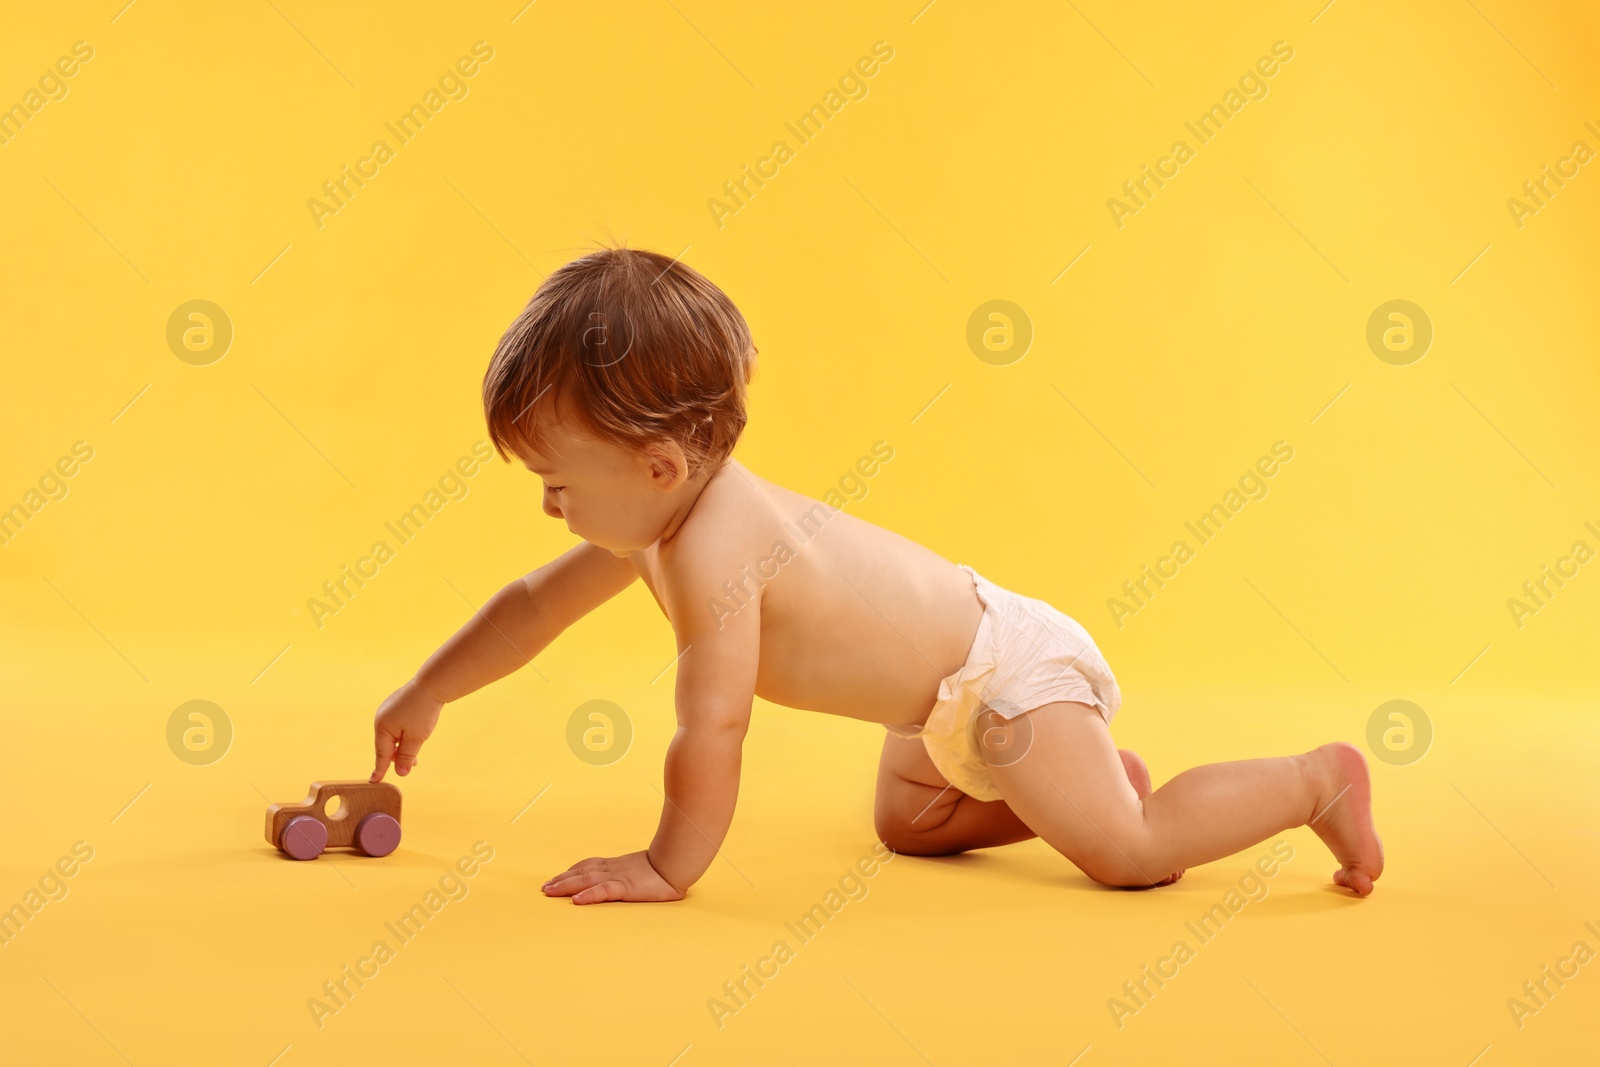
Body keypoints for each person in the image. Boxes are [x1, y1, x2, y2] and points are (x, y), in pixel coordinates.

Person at [369, 245, 1383, 905]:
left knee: (1131, 854)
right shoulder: (652, 517)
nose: (549, 506)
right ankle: (1069, 783)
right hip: (933, 712)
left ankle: (1312, 779)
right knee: (907, 826)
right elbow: (532, 607)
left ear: (657, 466)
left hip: (1004, 677)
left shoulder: (720, 545)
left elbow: (712, 721)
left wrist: (667, 863)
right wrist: (430, 689)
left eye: (555, 481)